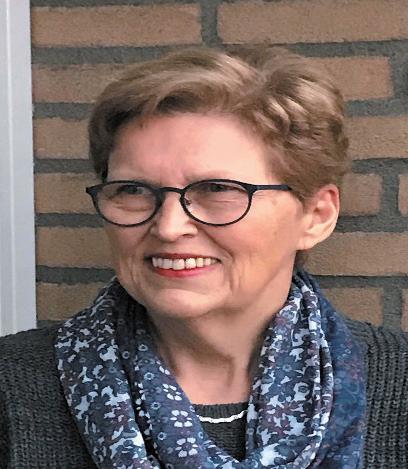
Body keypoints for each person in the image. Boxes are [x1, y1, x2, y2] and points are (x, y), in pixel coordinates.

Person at [0, 46, 407, 469]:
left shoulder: (398, 382)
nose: (168, 227)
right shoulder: (14, 384)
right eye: (133, 190)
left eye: (217, 189)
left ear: (316, 216)